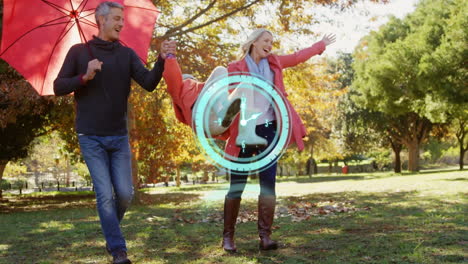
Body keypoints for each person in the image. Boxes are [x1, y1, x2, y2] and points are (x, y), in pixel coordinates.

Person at [53, 2, 175, 264]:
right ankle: (118, 250)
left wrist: (161, 60)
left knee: (124, 193)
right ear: (101, 20)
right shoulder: (78, 52)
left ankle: (111, 232)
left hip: (118, 136)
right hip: (90, 136)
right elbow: (58, 86)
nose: (122, 23)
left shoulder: (126, 54)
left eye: (123, 19)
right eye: (117, 19)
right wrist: (84, 77)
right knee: (105, 194)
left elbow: (149, 83)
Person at [221, 29, 336, 252]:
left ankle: (265, 236)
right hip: (244, 131)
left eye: (272, 42)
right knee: (237, 185)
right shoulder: (234, 68)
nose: (270, 45)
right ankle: (228, 238)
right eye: (266, 41)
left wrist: (319, 45)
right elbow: (228, 101)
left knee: (268, 184)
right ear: (253, 42)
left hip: (269, 130)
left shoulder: (273, 63)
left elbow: (296, 57)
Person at [162, 53, 243, 136]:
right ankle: (222, 110)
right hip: (202, 114)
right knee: (220, 70)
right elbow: (173, 77)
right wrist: (170, 56)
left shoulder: (201, 91)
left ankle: (223, 110)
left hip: (216, 127)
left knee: (245, 87)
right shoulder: (182, 90)